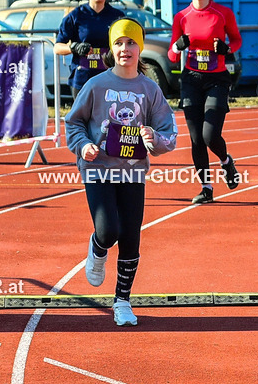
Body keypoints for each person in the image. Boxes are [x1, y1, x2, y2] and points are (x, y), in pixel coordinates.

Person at [66, 18, 178, 326]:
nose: (124, 48)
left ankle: (122, 301)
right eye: (118, 43)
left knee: (131, 237)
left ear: (140, 48)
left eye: (131, 43)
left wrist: (156, 141)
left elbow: (168, 131)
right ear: (111, 49)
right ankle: (98, 247)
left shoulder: (149, 89)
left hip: (132, 173)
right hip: (98, 169)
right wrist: (83, 145)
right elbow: (73, 122)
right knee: (108, 231)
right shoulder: (96, 85)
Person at [168, 0, 243, 204]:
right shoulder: (181, 17)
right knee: (196, 139)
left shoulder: (223, 13)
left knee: (210, 135)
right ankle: (206, 188)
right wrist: (179, 46)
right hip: (191, 79)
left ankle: (226, 162)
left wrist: (226, 49)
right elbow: (171, 55)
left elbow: (237, 40)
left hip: (217, 79)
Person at [55, 0, 127, 98]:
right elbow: (57, 47)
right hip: (82, 79)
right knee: (82, 118)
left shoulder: (118, 16)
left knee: (110, 116)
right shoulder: (76, 15)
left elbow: (128, 43)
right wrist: (74, 47)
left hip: (111, 77)